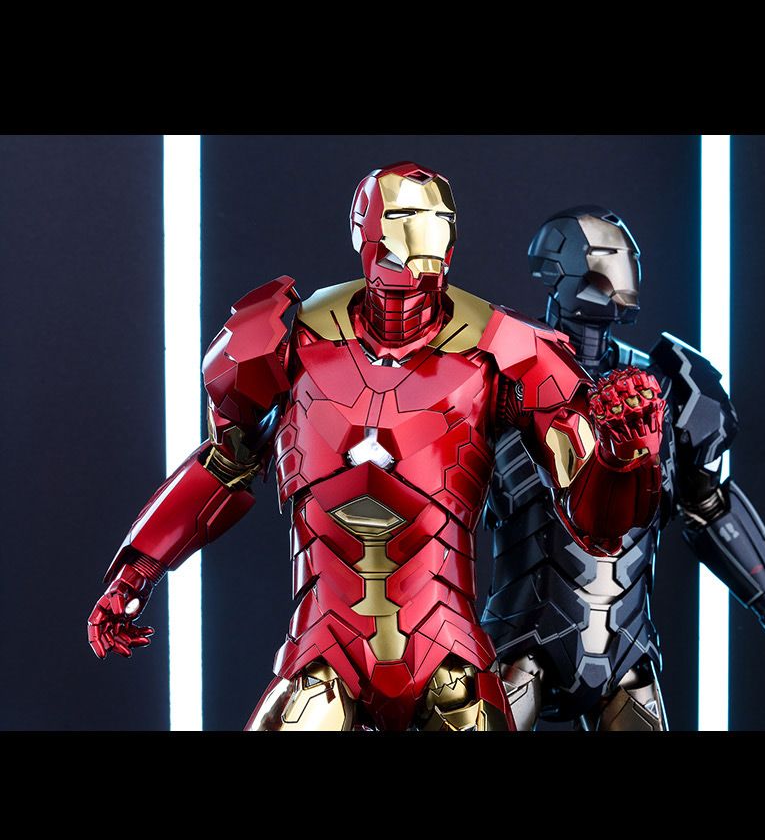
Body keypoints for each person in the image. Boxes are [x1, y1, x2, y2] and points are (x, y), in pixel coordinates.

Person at [88, 169, 665, 731]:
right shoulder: (288, 340)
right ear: (365, 228)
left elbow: (598, 523)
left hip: (447, 649)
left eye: (439, 217)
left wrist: (623, 457)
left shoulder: (505, 349)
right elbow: (224, 467)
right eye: (405, 215)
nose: (424, 235)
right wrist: (137, 570)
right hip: (324, 643)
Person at [482, 205, 765, 731]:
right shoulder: (505, 374)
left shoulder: (670, 386)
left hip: (626, 651)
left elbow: (710, 507)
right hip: (520, 645)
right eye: (606, 259)